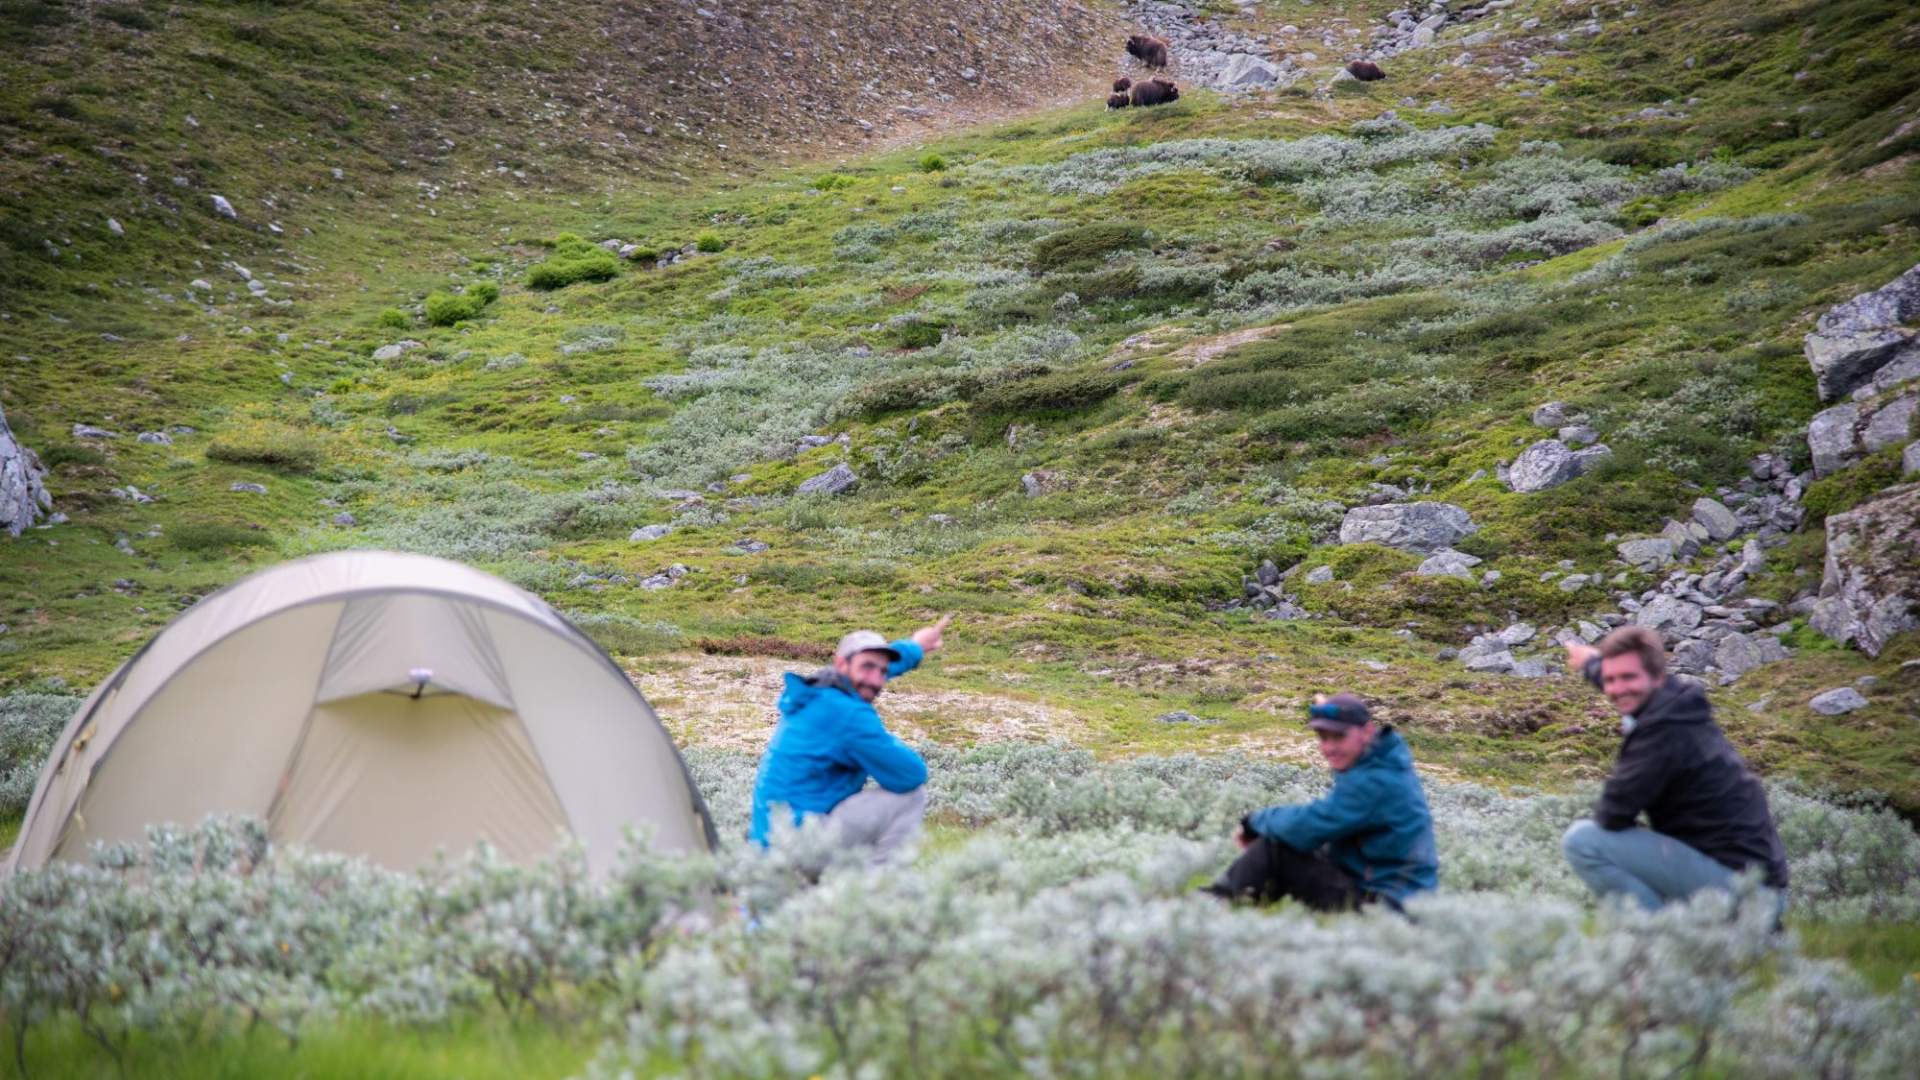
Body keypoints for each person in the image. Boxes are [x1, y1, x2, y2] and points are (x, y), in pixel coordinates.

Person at [1560, 627, 1789, 915]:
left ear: (1657, 677)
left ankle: (1660, 940)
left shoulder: (1662, 732)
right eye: (1609, 679)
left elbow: (1614, 813)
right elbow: (1627, 686)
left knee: (1583, 841)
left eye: (1628, 676)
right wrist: (1592, 664)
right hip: (1759, 888)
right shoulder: (1676, 704)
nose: (1617, 688)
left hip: (1745, 896)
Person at [1205, 693, 1438, 911]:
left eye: (1339, 736)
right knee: (1293, 846)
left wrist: (1253, 822)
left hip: (1385, 907)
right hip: (1389, 896)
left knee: (1275, 849)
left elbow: (1312, 824)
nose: (1328, 747)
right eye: (1323, 737)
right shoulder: (1381, 764)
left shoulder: (1376, 780)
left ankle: (1209, 907)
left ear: (1367, 731)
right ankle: (1238, 914)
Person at [748, 616, 950, 864]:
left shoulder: (821, 691)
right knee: (912, 795)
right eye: (868, 667)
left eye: (883, 672)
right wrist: (879, 742)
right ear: (842, 664)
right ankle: (875, 891)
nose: (877, 680)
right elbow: (911, 773)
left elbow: (871, 672)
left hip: (771, 844)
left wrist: (916, 646)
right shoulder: (848, 713)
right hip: (799, 846)